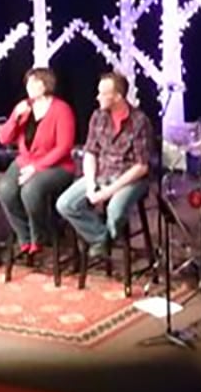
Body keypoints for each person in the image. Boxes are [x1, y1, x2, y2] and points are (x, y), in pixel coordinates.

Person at [56, 72, 152, 259]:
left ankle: (105, 238)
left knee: (114, 211)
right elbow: (90, 152)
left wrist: (107, 192)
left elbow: (141, 166)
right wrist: (91, 184)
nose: (97, 97)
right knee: (65, 204)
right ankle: (102, 238)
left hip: (129, 177)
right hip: (102, 172)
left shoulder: (140, 122)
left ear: (118, 97)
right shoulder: (98, 116)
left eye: (103, 93)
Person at [0, 68, 77, 255]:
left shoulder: (61, 110)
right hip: (25, 160)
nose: (29, 87)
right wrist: (15, 117)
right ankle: (24, 236)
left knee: (31, 190)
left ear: (46, 85)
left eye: (35, 82)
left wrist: (36, 168)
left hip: (57, 165)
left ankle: (41, 235)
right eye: (28, 83)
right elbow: (4, 138)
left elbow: (64, 147)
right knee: (5, 190)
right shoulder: (24, 107)